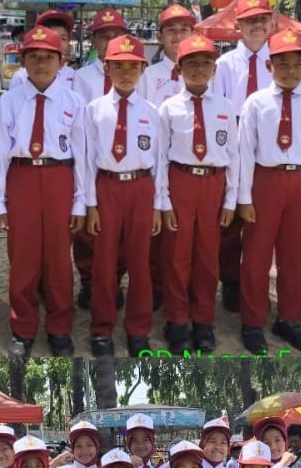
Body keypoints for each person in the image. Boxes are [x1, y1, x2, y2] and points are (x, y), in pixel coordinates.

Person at [0, 26, 85, 358]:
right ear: (22, 61)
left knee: (59, 259)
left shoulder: (73, 102)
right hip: (22, 177)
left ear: (62, 61)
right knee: (23, 258)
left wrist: (80, 201)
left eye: (49, 57)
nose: (41, 64)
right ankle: (23, 327)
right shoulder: (9, 101)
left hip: (60, 177)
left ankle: (59, 327)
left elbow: (82, 154)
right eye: (34, 57)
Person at [237, 29, 301, 353]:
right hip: (266, 180)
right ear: (269, 66)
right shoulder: (256, 103)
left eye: (297, 64)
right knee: (256, 255)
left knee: (297, 257)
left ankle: (289, 319)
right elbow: (244, 152)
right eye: (282, 64)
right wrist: (244, 197)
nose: (290, 71)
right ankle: (252, 321)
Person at [158, 33, 238, 354]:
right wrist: (163, 200)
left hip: (213, 184)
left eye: (206, 63)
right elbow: (160, 158)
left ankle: (203, 320)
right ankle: (177, 320)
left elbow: (233, 155)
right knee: (176, 255)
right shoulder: (169, 108)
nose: (200, 69)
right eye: (192, 63)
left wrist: (231, 198)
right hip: (181, 180)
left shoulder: (225, 107)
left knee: (207, 256)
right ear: (179, 69)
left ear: (215, 69)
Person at [86, 34, 161, 358]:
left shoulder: (152, 112)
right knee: (103, 261)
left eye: (133, 66)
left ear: (143, 69)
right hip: (107, 185)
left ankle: (138, 328)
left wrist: (158, 204)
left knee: (140, 262)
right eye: (118, 66)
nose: (126, 73)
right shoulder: (94, 110)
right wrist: (91, 203)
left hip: (141, 187)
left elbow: (160, 161)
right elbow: (87, 159)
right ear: (106, 68)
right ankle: (102, 327)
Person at [212, 0, 275, 314]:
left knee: (260, 220)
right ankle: (230, 281)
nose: (257, 26)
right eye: (250, 21)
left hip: (268, 145)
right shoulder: (225, 64)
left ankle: (254, 281)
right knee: (229, 220)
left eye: (262, 19)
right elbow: (218, 109)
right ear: (238, 25)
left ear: (272, 23)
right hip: (233, 139)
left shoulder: (278, 60)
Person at [72, 8, 129, 311]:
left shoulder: (134, 72)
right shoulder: (81, 78)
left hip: (122, 163)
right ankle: (88, 281)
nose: (109, 41)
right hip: (90, 160)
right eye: (103, 36)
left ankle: (115, 279)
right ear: (94, 40)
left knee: (120, 230)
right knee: (87, 230)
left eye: (115, 35)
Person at [9, 10, 76, 90]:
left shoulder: (73, 75)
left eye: (63, 38)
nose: (58, 43)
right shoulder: (21, 77)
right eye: (53, 37)